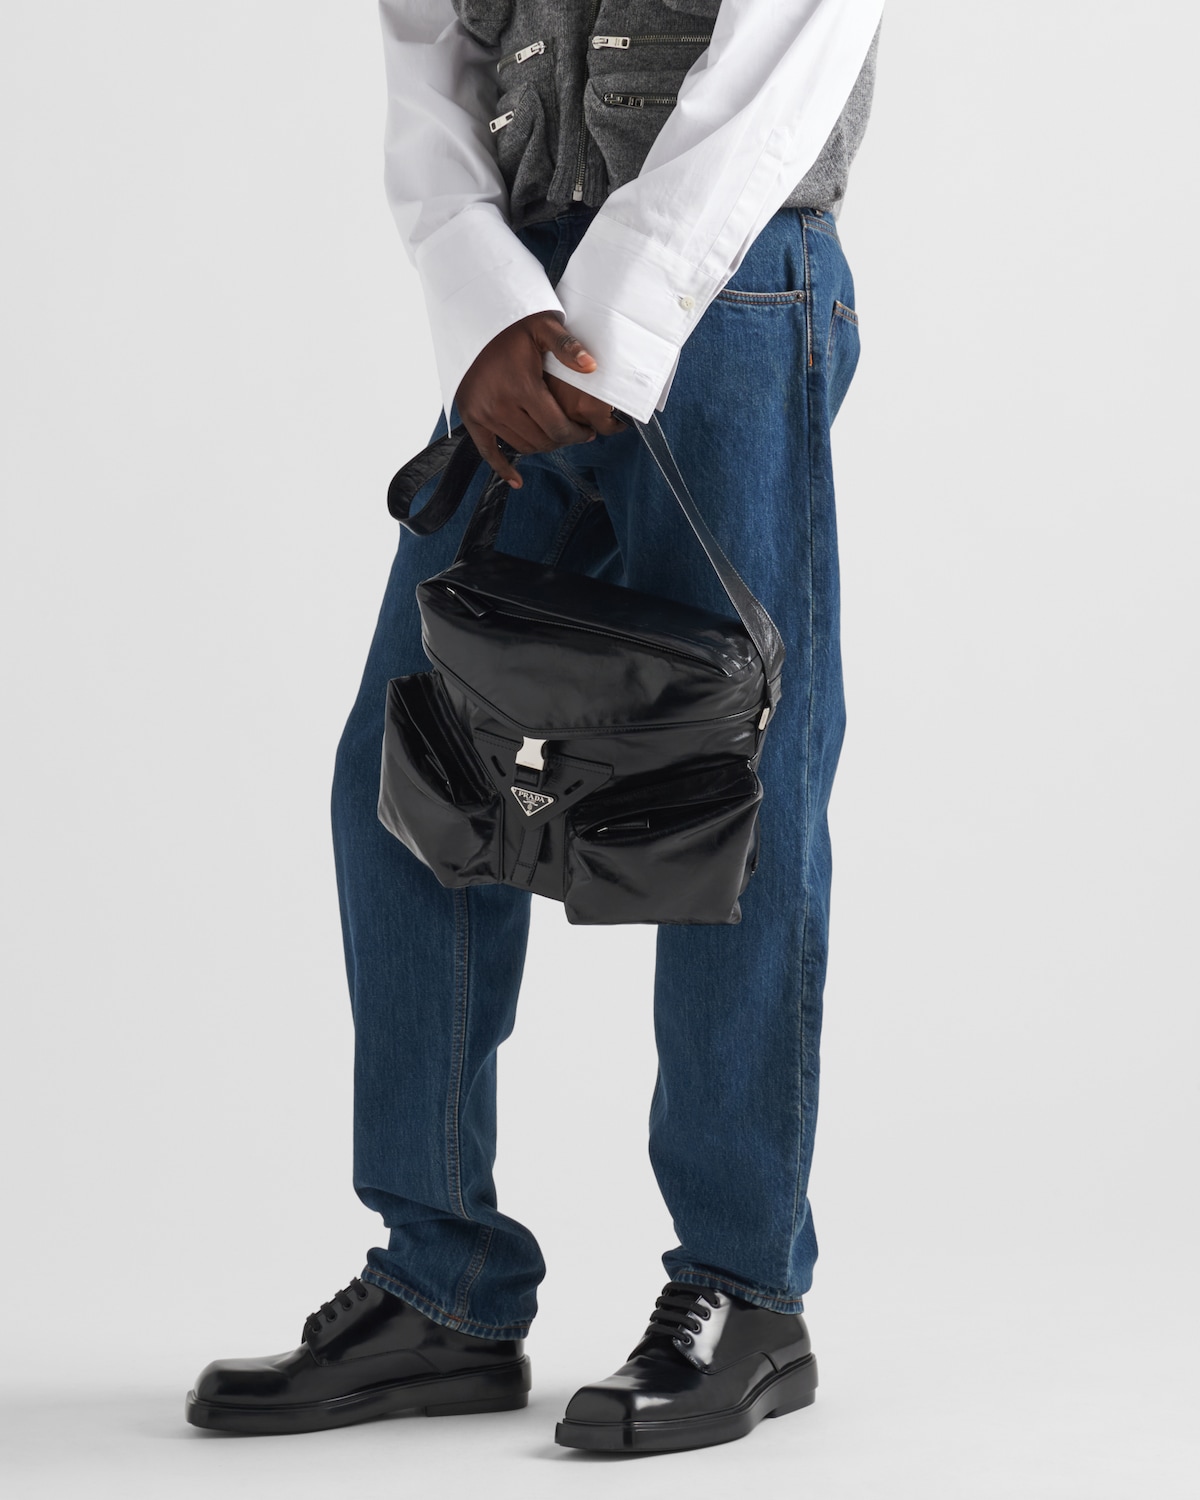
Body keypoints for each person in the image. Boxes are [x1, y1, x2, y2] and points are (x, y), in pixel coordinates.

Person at [186, 0, 884, 1454]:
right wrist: (488, 299)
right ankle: (440, 1284)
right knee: (413, 769)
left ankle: (744, 1287)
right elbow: (425, 43)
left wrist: (611, 320)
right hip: (519, 310)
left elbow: (796, 39)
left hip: (728, 286)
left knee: (736, 788)